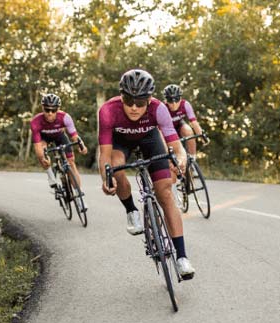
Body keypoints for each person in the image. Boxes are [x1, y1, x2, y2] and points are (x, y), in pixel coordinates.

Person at [98, 69, 195, 279]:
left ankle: (182, 258)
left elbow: (176, 146)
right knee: (115, 167)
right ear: (121, 95)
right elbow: (104, 155)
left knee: (165, 193)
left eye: (140, 102)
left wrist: (181, 159)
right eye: (128, 100)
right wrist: (106, 178)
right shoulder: (108, 111)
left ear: (149, 99)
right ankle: (131, 210)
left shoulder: (159, 109)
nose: (133, 107)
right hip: (120, 142)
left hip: (150, 139)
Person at [30, 93, 87, 191]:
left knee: (71, 162)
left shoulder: (65, 117)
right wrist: (43, 158)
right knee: (42, 154)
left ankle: (78, 194)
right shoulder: (36, 122)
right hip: (44, 138)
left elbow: (74, 136)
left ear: (58, 109)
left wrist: (81, 146)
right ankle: (50, 175)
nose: (50, 113)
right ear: (42, 108)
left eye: (54, 110)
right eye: (47, 109)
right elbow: (37, 147)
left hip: (59, 136)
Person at [162, 84, 205, 157]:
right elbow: (160, 131)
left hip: (179, 125)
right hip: (166, 130)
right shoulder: (162, 108)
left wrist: (202, 136)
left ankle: (193, 159)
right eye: (170, 100)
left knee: (188, 130)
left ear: (181, 98)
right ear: (166, 100)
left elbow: (194, 122)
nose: (174, 104)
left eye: (177, 99)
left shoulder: (185, 104)